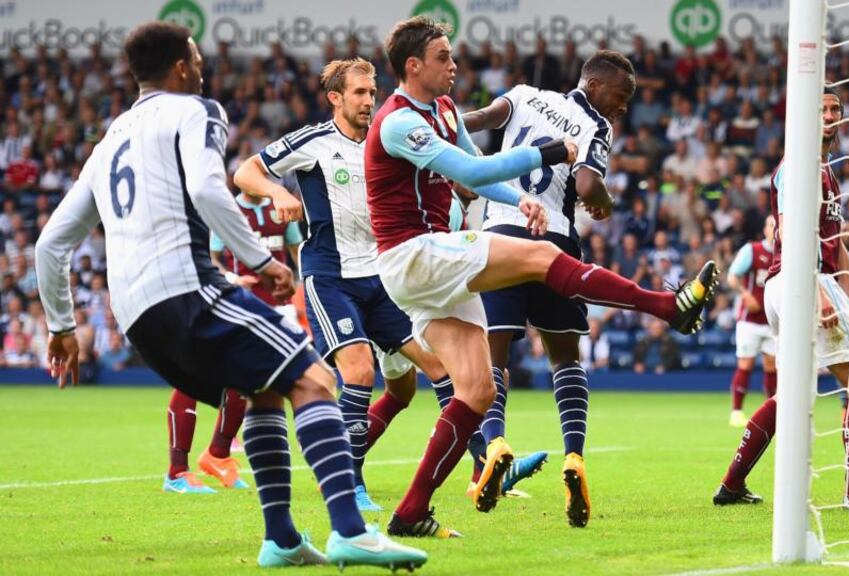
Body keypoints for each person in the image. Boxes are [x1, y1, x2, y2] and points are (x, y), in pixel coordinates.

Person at [35, 22, 426, 569]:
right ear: (180, 67)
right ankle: (350, 530)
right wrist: (265, 263)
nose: (201, 66)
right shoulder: (197, 111)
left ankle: (282, 539)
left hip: (136, 317)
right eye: (196, 57)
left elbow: (52, 243)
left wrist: (61, 327)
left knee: (262, 390)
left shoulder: (109, 139)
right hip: (187, 289)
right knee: (314, 379)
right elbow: (205, 188)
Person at [365, 16, 718, 538]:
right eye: (443, 57)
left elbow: (478, 163)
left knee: (478, 390)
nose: (454, 65)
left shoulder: (442, 109)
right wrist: (549, 152)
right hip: (413, 254)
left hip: (434, 263)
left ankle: (412, 510)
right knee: (539, 263)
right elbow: (470, 175)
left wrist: (520, 198)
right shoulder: (396, 121)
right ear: (413, 66)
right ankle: (666, 306)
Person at [233, 57, 503, 513]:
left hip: (382, 277)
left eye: (372, 92)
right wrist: (279, 192)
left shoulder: (386, 138)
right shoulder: (313, 141)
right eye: (358, 93)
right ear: (335, 98)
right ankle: (348, 482)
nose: (368, 100)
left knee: (439, 368)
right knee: (358, 372)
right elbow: (246, 171)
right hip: (331, 276)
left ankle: (487, 464)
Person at [460, 50, 669, 527]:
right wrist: (607, 204)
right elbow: (590, 185)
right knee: (565, 358)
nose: (622, 107)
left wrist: (439, 132)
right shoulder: (596, 125)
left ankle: (494, 444)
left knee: (494, 359)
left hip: (499, 238)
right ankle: (574, 457)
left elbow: (473, 121)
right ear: (594, 85)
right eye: (620, 96)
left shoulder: (522, 95)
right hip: (552, 244)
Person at [712, 88, 849, 510]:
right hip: (802, 281)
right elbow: (797, 231)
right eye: (823, 109)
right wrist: (817, 291)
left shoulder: (825, 171)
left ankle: (731, 484)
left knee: (792, 394)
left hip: (791, 286)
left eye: (836, 108)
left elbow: (840, 247)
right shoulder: (799, 167)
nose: (832, 115)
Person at [160, 185, 306, 495]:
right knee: (191, 376)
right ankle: (177, 470)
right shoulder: (201, 209)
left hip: (257, 306)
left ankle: (218, 454)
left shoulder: (271, 211)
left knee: (249, 381)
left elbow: (294, 251)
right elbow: (210, 259)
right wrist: (231, 279)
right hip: (208, 299)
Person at [725, 216, 777, 428]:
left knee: (772, 366)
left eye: (778, 225)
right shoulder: (752, 250)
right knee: (745, 363)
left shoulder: (787, 254)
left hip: (774, 321)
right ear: (765, 229)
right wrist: (745, 295)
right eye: (771, 225)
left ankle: (772, 411)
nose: (775, 229)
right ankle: (736, 412)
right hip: (750, 321)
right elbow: (732, 276)